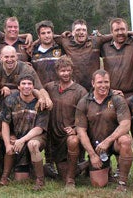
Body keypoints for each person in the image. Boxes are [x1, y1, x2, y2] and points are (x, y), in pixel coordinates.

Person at [75, 69, 133, 191]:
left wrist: (108, 141)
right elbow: (81, 131)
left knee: (126, 140)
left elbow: (126, 124)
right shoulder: (84, 102)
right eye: (100, 82)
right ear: (93, 83)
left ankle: (122, 182)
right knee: (99, 184)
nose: (103, 85)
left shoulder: (117, 99)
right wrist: (92, 155)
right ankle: (97, 165)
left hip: (114, 143)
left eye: (106, 82)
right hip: (96, 147)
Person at [0, 74, 49, 190]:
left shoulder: (41, 103)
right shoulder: (10, 100)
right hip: (17, 136)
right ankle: (5, 177)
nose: (26, 86)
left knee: (33, 144)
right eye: (24, 84)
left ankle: (40, 180)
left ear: (33, 86)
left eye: (29, 84)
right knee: (21, 179)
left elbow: (39, 128)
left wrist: (22, 140)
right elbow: (5, 123)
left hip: (36, 137)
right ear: (18, 87)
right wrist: (7, 144)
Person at [44, 55, 87, 188]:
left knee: (67, 175)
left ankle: (76, 174)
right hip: (54, 136)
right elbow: (37, 91)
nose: (66, 73)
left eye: (68, 70)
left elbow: (86, 114)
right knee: (62, 174)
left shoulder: (80, 91)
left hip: (70, 135)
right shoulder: (50, 87)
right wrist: (42, 97)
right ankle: (81, 167)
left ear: (72, 70)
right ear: (57, 71)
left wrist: (75, 128)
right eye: (63, 71)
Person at [53, 19, 112, 91]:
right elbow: (47, 37)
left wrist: (129, 33)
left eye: (84, 30)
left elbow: (116, 35)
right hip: (75, 88)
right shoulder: (65, 41)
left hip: (93, 87)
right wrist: (34, 44)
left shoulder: (95, 41)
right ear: (73, 32)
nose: (81, 32)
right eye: (78, 30)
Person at [101, 18, 133, 98]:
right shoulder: (104, 47)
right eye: (116, 30)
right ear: (111, 32)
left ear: (127, 30)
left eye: (123, 29)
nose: (120, 32)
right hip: (111, 95)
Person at [31, 20, 64, 85]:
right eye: (43, 33)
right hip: (41, 90)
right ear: (38, 36)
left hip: (59, 90)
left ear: (53, 33)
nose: (46, 36)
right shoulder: (32, 51)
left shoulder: (62, 48)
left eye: (48, 32)